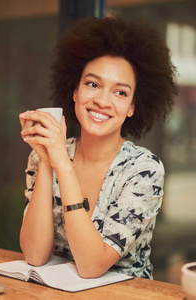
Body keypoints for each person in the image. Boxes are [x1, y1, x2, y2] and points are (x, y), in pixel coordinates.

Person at [19, 15, 178, 279]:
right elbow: (35, 255)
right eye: (93, 84)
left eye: (120, 92)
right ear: (75, 92)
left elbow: (91, 266)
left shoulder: (144, 170)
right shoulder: (45, 156)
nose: (102, 101)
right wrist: (47, 160)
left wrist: (64, 167)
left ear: (132, 107)